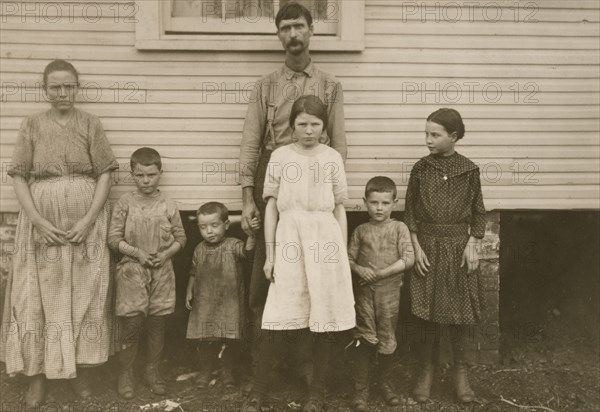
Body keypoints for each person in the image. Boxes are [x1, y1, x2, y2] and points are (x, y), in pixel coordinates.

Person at [238, 2, 347, 384]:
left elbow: (338, 149)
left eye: (299, 26)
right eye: (285, 28)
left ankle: (308, 369)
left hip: (315, 187)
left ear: (312, 29)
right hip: (277, 181)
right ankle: (262, 368)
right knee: (266, 273)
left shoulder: (330, 86)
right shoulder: (265, 86)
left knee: (313, 276)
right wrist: (247, 196)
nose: (293, 35)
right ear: (278, 34)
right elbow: (251, 144)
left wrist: (333, 200)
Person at [0, 59, 118, 407]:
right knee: (34, 296)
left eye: (68, 86)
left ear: (77, 88)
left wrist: (88, 220)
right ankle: (37, 375)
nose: (62, 93)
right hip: (41, 227)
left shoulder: (90, 124)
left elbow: (106, 174)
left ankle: (79, 371)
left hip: (85, 226)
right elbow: (19, 175)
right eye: (55, 87)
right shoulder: (32, 125)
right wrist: (37, 220)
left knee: (84, 295)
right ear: (45, 89)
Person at [241, 95, 355, 412]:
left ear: (323, 127)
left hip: (325, 238)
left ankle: (316, 393)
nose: (308, 130)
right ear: (292, 126)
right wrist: (270, 255)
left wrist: (341, 255)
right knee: (277, 314)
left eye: (315, 124)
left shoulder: (332, 158)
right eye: (302, 124)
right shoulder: (279, 157)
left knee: (323, 317)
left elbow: (340, 207)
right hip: (289, 237)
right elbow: (272, 208)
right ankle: (259, 390)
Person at [404, 108, 486, 404]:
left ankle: (460, 373)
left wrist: (472, 243)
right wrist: (415, 245)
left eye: (435, 135)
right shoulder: (421, 169)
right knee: (426, 312)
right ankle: (425, 370)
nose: (428, 140)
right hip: (427, 246)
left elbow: (478, 212)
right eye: (426, 134)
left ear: (453, 137)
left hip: (457, 249)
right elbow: (410, 211)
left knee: (459, 313)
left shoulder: (469, 170)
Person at [108, 147, 187, 399]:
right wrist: (137, 254)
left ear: (159, 173)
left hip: (162, 270)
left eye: (151, 175)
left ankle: (152, 371)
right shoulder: (125, 203)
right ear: (132, 174)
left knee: (157, 322)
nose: (146, 181)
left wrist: (165, 255)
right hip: (132, 269)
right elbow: (113, 239)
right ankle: (126, 372)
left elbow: (181, 238)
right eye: (140, 176)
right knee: (132, 322)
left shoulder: (168, 203)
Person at [347, 176, 415, 411]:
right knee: (365, 338)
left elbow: (408, 258)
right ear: (365, 202)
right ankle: (361, 389)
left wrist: (384, 273)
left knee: (387, 337)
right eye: (374, 202)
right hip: (365, 293)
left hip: (390, 294)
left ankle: (384, 383)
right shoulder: (361, 230)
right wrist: (360, 269)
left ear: (394, 203)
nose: (379, 208)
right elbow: (347, 259)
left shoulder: (399, 228)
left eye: (385, 203)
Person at [185, 202, 258, 389]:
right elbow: (193, 271)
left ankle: (228, 371)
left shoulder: (233, 245)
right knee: (206, 338)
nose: (209, 231)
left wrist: (251, 235)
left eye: (214, 225)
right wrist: (189, 291)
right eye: (203, 227)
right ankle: (205, 370)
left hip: (229, 303)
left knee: (229, 338)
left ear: (226, 224)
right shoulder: (199, 249)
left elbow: (248, 255)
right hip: (205, 303)